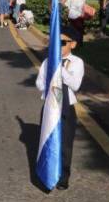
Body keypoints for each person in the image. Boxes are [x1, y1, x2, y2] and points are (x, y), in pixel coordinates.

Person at [35, 26, 84, 190]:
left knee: (65, 144)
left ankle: (63, 176)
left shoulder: (76, 62)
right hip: (50, 106)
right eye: (56, 42)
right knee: (47, 139)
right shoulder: (47, 61)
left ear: (73, 44)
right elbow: (39, 82)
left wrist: (60, 68)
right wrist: (47, 86)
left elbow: (75, 85)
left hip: (66, 108)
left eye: (62, 42)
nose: (58, 46)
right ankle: (47, 173)